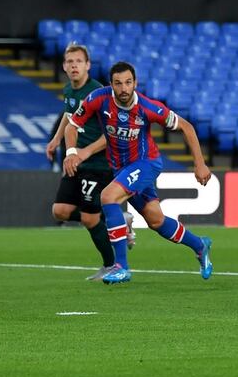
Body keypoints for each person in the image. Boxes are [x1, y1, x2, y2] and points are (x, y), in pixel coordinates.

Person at [63, 61, 214, 285]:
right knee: (156, 221)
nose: (123, 88)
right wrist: (71, 152)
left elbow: (187, 127)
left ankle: (121, 266)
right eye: (118, 83)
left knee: (108, 196)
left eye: (128, 83)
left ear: (135, 83)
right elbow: (71, 125)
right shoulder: (98, 99)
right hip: (122, 169)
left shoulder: (148, 107)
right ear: (111, 84)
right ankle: (200, 245)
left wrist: (199, 164)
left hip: (146, 163)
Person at [44, 44, 134, 280]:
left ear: (88, 66)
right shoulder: (69, 91)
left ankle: (111, 265)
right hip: (76, 161)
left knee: (88, 218)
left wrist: (83, 151)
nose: (73, 65)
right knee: (60, 211)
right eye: (69, 61)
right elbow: (68, 117)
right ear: (64, 66)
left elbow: (111, 133)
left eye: (78, 61)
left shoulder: (99, 93)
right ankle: (116, 220)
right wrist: (55, 141)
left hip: (97, 164)